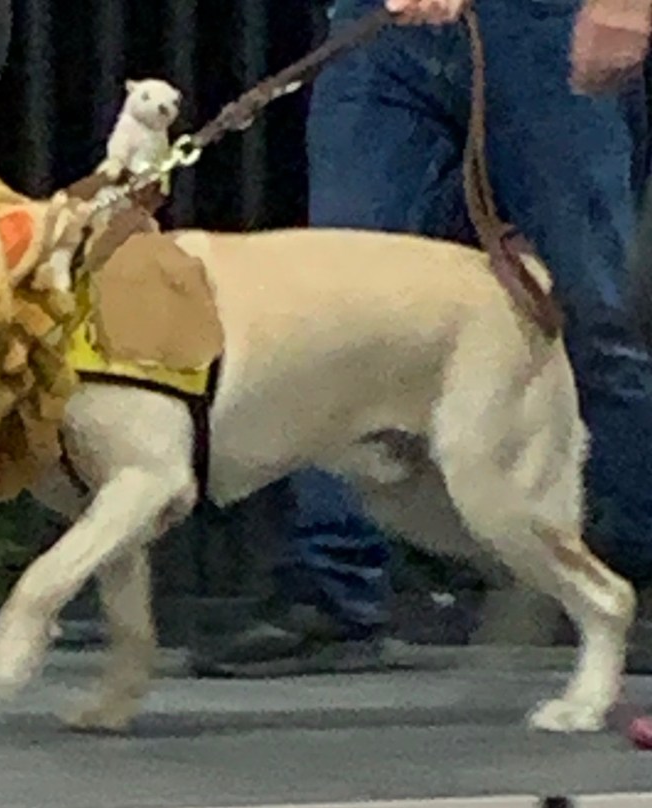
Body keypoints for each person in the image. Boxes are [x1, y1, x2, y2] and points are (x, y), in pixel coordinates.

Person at [193, 0, 652, 676]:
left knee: (592, 319)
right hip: (382, 23)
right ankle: (334, 587)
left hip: (550, 19)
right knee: (336, 320)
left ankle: (636, 571)